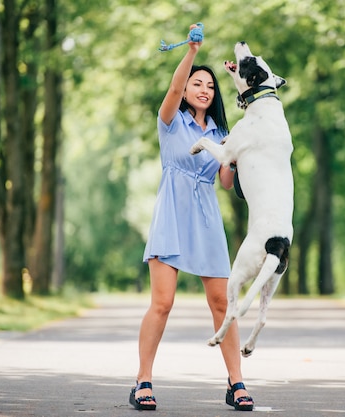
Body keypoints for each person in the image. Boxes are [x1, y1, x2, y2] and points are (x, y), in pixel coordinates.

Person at [129, 27, 254, 412]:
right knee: (162, 303)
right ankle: (142, 381)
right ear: (184, 90)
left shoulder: (221, 131)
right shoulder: (170, 122)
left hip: (206, 218)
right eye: (196, 83)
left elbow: (226, 180)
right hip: (172, 214)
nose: (203, 89)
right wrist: (192, 53)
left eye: (210, 86)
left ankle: (237, 383)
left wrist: (233, 156)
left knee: (222, 301)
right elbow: (169, 93)